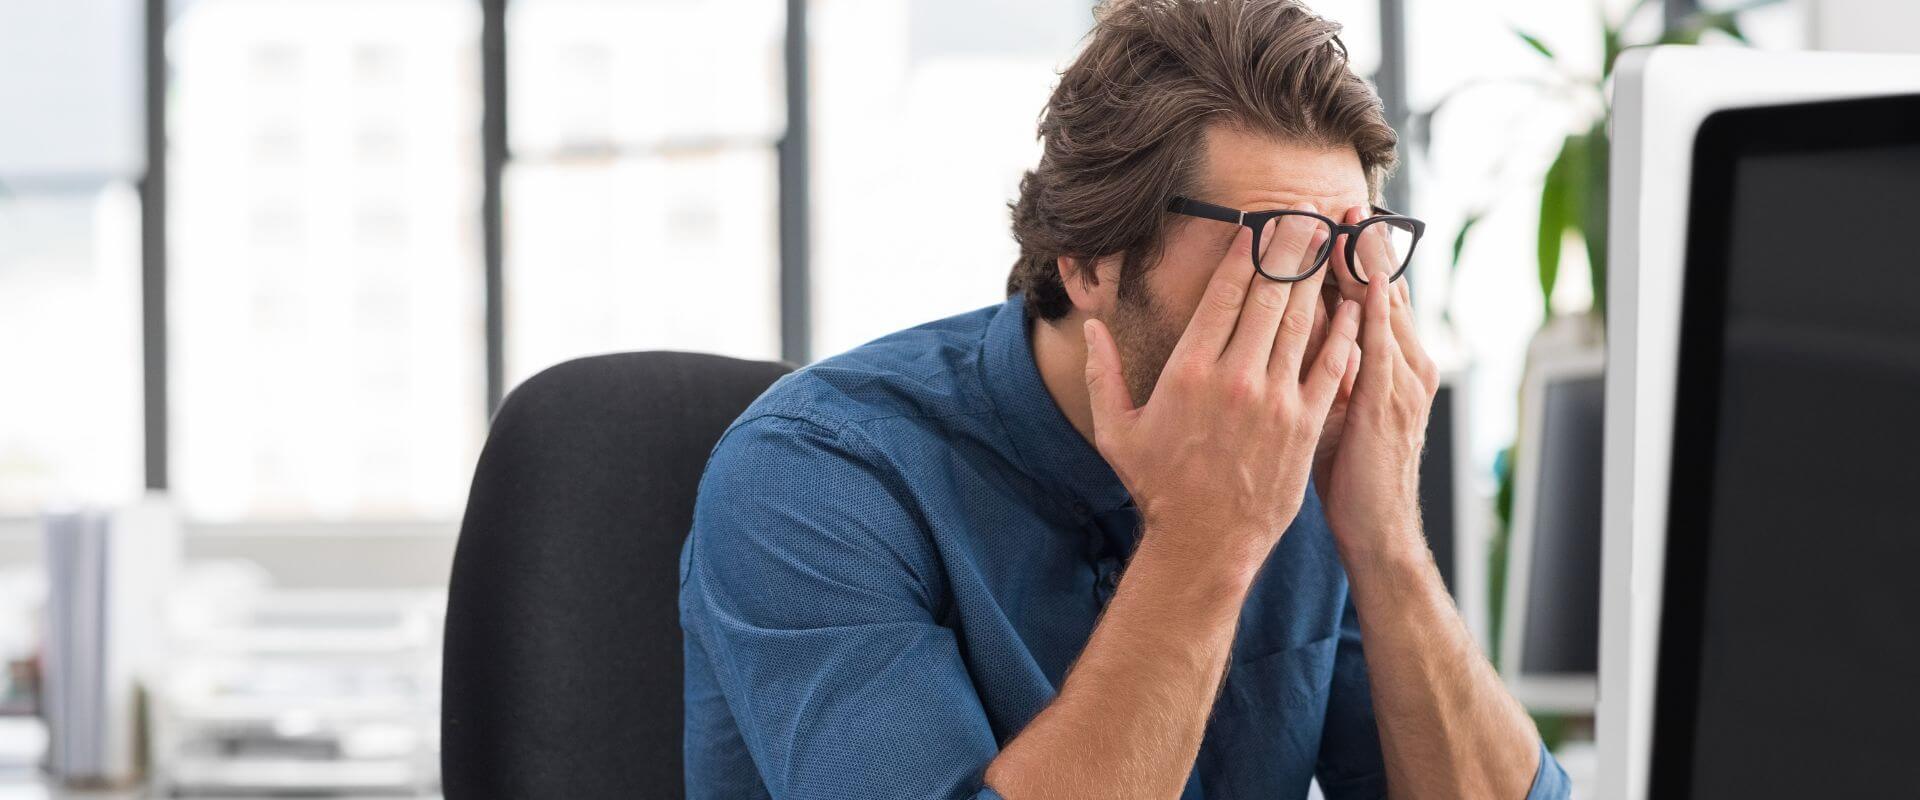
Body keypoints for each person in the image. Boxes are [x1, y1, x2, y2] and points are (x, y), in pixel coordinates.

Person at [679, 1, 1568, 797]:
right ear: (1090, 261)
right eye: (1275, 246)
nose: (1325, 306)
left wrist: (1385, 542)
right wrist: (1203, 541)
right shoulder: (813, 476)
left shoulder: (1312, 466)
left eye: (1350, 247)